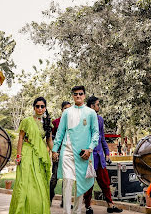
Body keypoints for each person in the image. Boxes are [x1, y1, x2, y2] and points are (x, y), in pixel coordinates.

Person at [52, 86, 99, 214]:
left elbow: (96, 133)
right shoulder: (66, 113)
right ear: (72, 96)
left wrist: (90, 149)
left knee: (80, 183)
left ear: (84, 95)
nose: (78, 96)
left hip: (83, 153)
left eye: (80, 94)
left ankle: (77, 211)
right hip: (67, 152)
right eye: (75, 94)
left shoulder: (91, 113)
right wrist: (55, 150)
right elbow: (60, 132)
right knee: (68, 182)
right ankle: (67, 212)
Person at [9, 97, 53, 214]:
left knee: (39, 184)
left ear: (45, 108)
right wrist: (18, 155)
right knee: (25, 183)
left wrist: (55, 152)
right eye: (37, 106)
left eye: (42, 106)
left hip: (40, 156)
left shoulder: (48, 123)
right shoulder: (27, 121)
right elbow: (21, 138)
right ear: (34, 108)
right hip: (27, 153)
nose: (39, 108)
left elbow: (49, 141)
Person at [83, 96, 122, 214]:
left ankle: (111, 205)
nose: (99, 106)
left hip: (100, 157)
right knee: (89, 184)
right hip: (89, 157)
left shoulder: (100, 119)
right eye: (97, 104)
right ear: (92, 106)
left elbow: (102, 138)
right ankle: (88, 207)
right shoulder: (84, 119)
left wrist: (107, 153)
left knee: (105, 182)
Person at [50, 101, 72, 207]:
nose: (67, 110)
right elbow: (51, 138)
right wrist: (54, 151)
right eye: (65, 108)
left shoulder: (74, 122)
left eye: (69, 108)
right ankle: (49, 197)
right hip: (58, 152)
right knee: (54, 177)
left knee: (67, 178)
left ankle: (65, 201)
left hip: (69, 153)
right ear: (61, 110)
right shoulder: (55, 122)